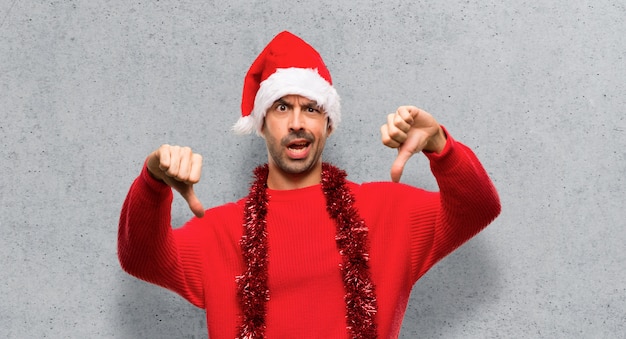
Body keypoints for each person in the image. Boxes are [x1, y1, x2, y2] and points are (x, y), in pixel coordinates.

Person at [118, 31, 501, 339]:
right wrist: (152, 184)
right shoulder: (219, 232)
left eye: (312, 108)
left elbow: (478, 209)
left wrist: (442, 149)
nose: (297, 122)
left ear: (328, 124)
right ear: (261, 123)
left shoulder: (388, 212)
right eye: (282, 107)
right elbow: (141, 258)